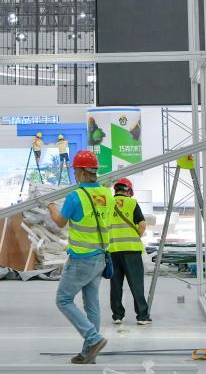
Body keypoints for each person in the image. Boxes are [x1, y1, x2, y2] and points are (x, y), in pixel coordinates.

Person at [47, 150, 112, 365]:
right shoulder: (106, 195)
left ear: (83, 172)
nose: (74, 174)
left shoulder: (76, 196)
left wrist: (50, 207)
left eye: (75, 170)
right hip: (101, 256)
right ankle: (88, 353)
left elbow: (60, 222)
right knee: (91, 305)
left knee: (63, 300)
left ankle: (93, 339)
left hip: (81, 258)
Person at [107, 177, 150, 326]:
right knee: (136, 284)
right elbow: (143, 225)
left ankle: (118, 315)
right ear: (129, 191)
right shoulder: (132, 203)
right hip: (131, 251)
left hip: (113, 250)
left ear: (115, 190)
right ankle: (142, 316)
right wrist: (135, 235)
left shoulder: (107, 203)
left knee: (116, 284)